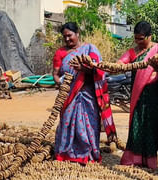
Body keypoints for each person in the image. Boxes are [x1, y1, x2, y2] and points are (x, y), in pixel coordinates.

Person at [53, 22, 117, 164]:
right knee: (68, 122)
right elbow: (56, 74)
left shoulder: (90, 49)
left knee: (88, 123)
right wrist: (61, 83)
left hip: (87, 94)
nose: (67, 39)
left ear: (77, 34)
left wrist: (83, 69)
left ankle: (88, 153)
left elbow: (99, 70)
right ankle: (67, 153)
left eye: (70, 36)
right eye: (65, 37)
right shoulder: (60, 53)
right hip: (68, 94)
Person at [119, 21, 158, 169]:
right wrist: (109, 66)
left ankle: (149, 161)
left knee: (152, 128)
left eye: (141, 38)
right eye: (136, 38)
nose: (138, 42)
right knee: (136, 127)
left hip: (156, 98)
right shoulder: (133, 52)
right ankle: (133, 159)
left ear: (150, 36)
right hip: (138, 97)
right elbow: (121, 63)